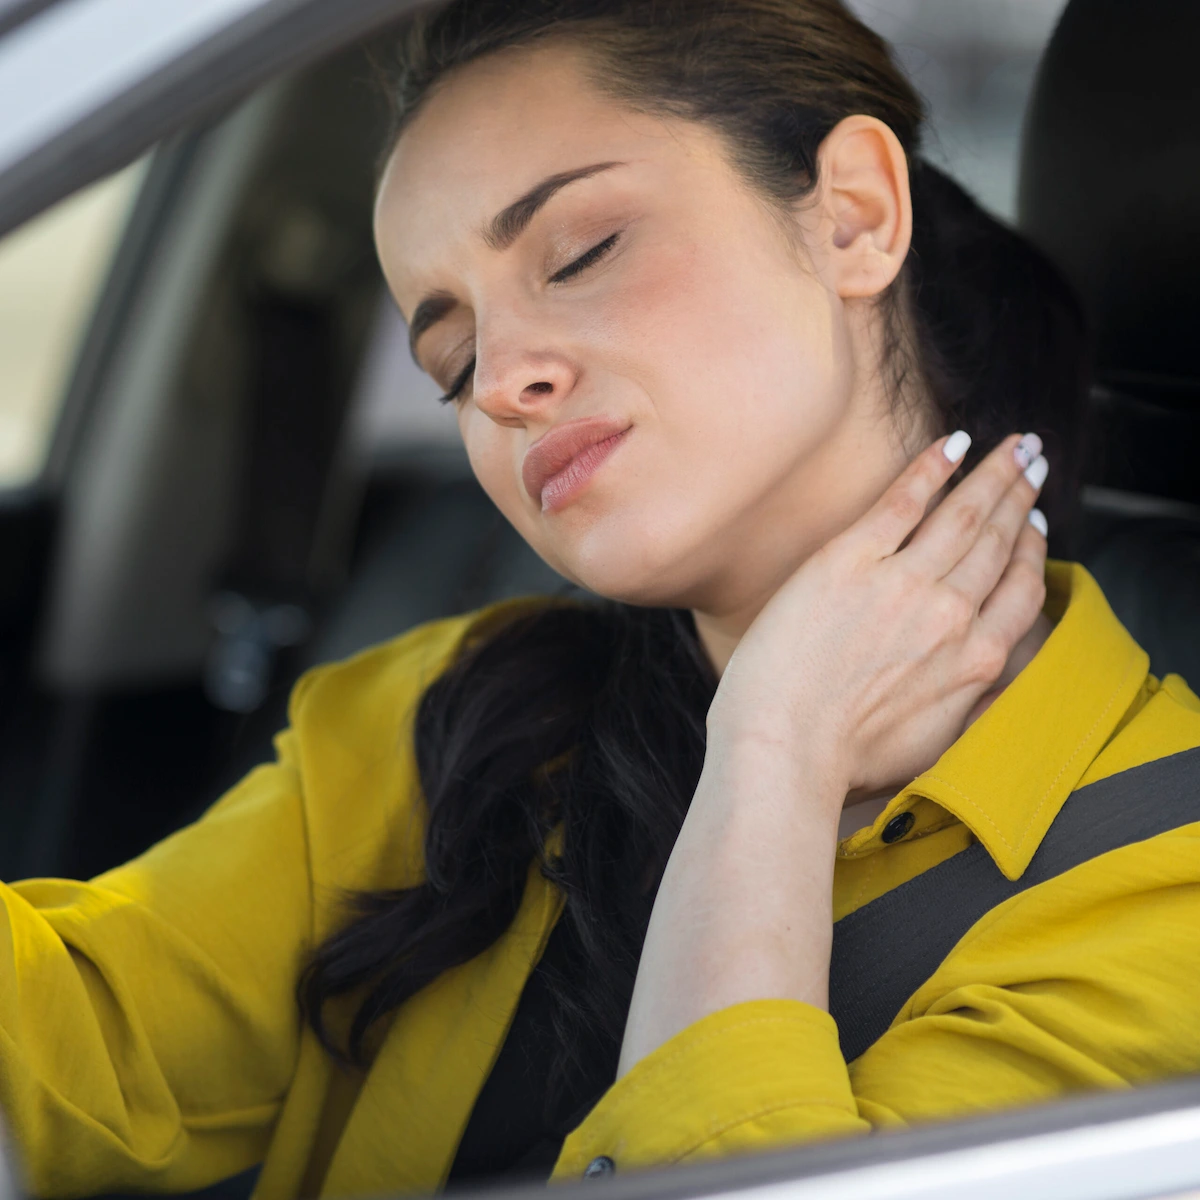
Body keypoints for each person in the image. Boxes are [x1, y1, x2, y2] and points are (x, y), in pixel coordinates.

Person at [3, 0, 1200, 1197]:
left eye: (580, 252)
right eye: (452, 363)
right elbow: (64, 1047)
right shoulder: (450, 720)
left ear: (853, 216)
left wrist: (773, 757)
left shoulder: (1167, 888)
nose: (505, 387)